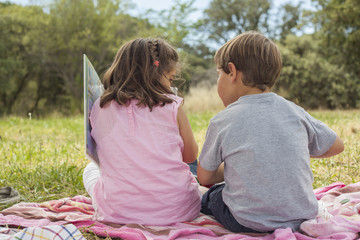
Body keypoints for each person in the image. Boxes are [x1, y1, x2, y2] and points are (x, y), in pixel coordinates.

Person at [197, 31, 344, 233]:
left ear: (231, 72)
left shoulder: (223, 120)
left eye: (218, 74)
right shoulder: (294, 110)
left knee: (212, 195)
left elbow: (204, 177)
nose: (218, 80)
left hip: (246, 221)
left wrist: (233, 168)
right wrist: (283, 150)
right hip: (300, 217)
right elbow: (337, 146)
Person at [83, 38, 202, 225]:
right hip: (179, 210)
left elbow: (100, 153)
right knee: (190, 171)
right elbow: (190, 155)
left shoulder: (99, 106)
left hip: (118, 213)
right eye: (170, 79)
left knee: (90, 170)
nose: (171, 87)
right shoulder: (172, 105)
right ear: (156, 73)